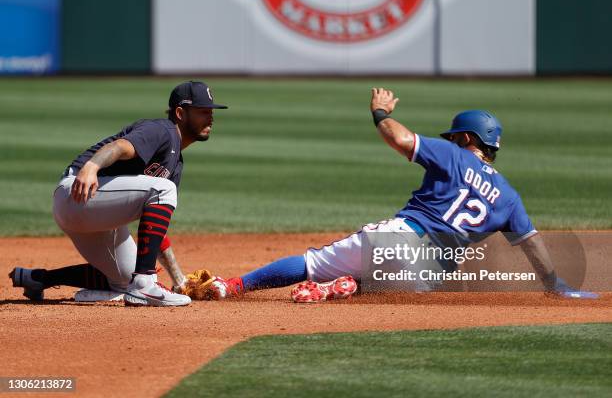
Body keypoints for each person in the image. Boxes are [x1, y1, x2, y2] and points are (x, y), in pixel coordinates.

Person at [204, 88, 597, 302]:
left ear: (465, 138)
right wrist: (554, 285)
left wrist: (379, 113)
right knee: (384, 281)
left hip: (398, 239)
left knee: (310, 262)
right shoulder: (509, 196)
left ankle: (234, 286)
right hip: (427, 277)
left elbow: (399, 137)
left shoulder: (452, 153)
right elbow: (533, 245)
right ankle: (349, 287)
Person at [10, 81, 228, 307]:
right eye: (203, 112)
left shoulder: (176, 163)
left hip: (97, 212)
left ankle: (38, 279)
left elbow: (156, 227)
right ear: (181, 113)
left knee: (126, 279)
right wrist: (92, 166)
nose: (210, 117)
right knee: (163, 191)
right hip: (77, 192)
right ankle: (144, 286)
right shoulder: (163, 131)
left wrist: (179, 280)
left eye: (211, 112)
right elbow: (120, 146)